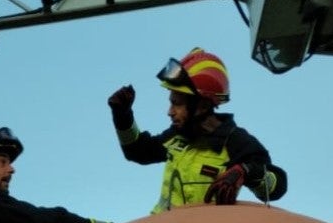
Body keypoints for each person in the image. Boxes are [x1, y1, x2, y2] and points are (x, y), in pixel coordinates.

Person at [108, 48, 287, 214]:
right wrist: (122, 115)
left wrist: (246, 171)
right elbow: (137, 151)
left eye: (177, 104)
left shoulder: (236, 141)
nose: (169, 112)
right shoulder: (177, 135)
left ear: (202, 106)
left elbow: (277, 187)